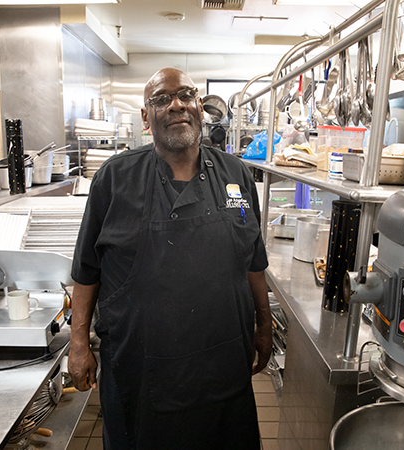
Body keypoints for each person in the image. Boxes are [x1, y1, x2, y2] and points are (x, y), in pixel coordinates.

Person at [68, 68, 272, 450]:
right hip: (142, 367)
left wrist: (264, 323)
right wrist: (78, 342)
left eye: (186, 95)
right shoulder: (114, 179)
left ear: (200, 106)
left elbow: (253, 261)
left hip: (222, 366)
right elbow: (86, 269)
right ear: (146, 118)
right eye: (161, 99)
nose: (176, 104)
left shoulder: (236, 175)